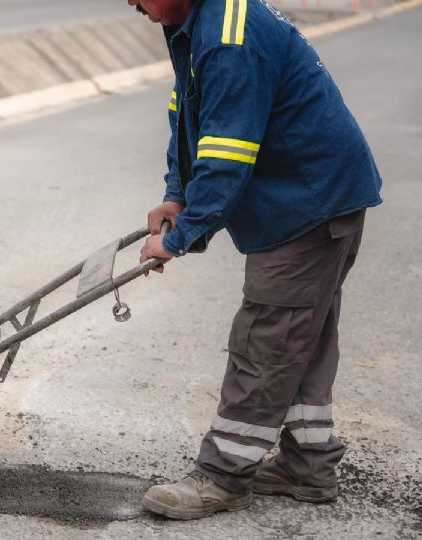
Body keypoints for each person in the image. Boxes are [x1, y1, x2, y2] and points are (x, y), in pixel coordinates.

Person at [129, 0, 383, 520]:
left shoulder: (228, 35)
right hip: (316, 198)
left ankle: (223, 474)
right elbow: (190, 113)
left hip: (308, 206)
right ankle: (307, 466)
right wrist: (177, 193)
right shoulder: (193, 22)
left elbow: (226, 155)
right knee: (299, 341)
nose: (130, 2)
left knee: (266, 342)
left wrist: (179, 240)